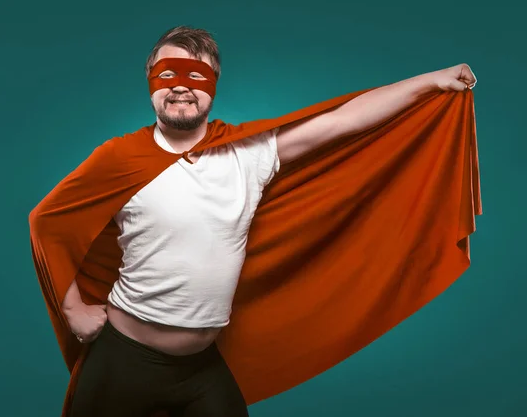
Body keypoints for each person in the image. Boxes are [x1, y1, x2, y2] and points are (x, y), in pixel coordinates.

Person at [31, 26, 477, 417]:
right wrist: (73, 309)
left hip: (201, 367)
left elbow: (343, 121)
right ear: (150, 84)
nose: (182, 87)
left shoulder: (249, 153)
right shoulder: (118, 158)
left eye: (197, 76)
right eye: (168, 74)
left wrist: (429, 82)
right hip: (124, 361)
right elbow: (48, 221)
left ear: (214, 87)